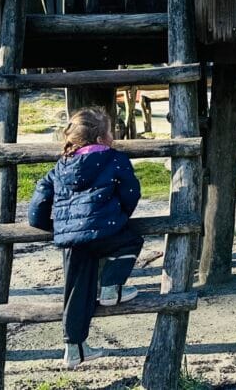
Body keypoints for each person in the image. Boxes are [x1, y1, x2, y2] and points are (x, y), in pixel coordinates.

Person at [29, 107, 143, 368]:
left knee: (75, 291)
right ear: (102, 139)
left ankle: (74, 349)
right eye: (110, 131)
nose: (113, 136)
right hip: (106, 231)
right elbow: (131, 192)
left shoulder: (61, 166)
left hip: (72, 241)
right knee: (131, 241)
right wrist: (121, 215)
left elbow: (39, 203)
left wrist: (52, 226)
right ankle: (112, 287)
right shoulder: (114, 159)